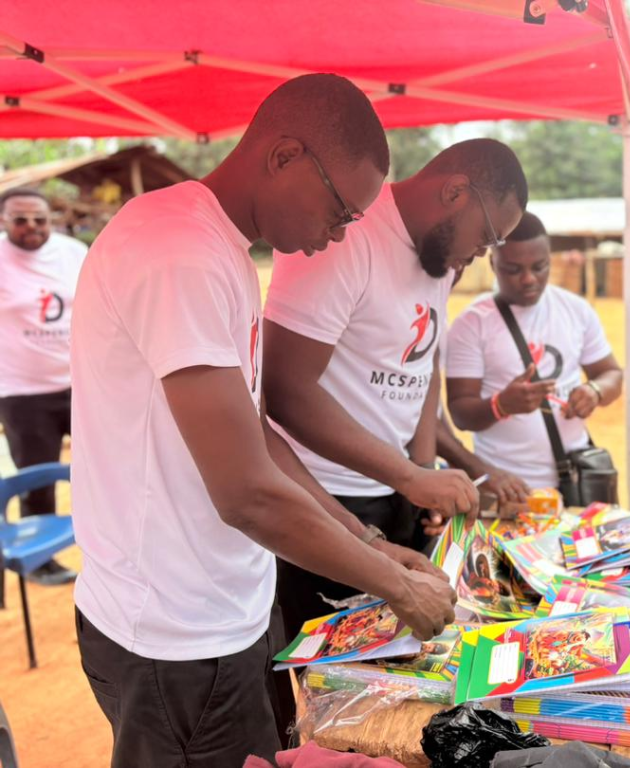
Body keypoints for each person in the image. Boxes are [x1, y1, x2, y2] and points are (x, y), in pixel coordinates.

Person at [70, 74, 456, 768]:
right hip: (178, 639)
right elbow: (245, 491)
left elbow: (258, 438)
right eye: (340, 211)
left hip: (226, 611)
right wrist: (394, 586)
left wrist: (364, 538)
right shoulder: (178, 252)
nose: (338, 233)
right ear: (284, 156)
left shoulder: (220, 252)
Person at [262, 138, 527, 637]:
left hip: (397, 491)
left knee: (396, 669)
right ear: (455, 192)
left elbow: (421, 367)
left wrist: (422, 473)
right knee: (328, 682)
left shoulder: (440, 257)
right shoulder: (345, 237)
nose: (481, 255)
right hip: (326, 504)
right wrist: (409, 474)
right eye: (488, 237)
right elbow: (283, 391)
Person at [446, 211, 623, 491]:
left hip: (576, 482)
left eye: (539, 267)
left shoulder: (575, 310)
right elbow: (460, 414)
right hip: (509, 488)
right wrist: (500, 404)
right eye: (514, 269)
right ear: (494, 264)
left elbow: (611, 374)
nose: (528, 279)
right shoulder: (472, 324)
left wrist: (595, 391)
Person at [0, 188, 86, 585]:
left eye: (39, 219)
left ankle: (108, 541)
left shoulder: (73, 252)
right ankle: (41, 559)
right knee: (37, 473)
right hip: (22, 391)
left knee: (99, 463)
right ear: (4, 221)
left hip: (80, 381)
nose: (31, 227)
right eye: (20, 219)